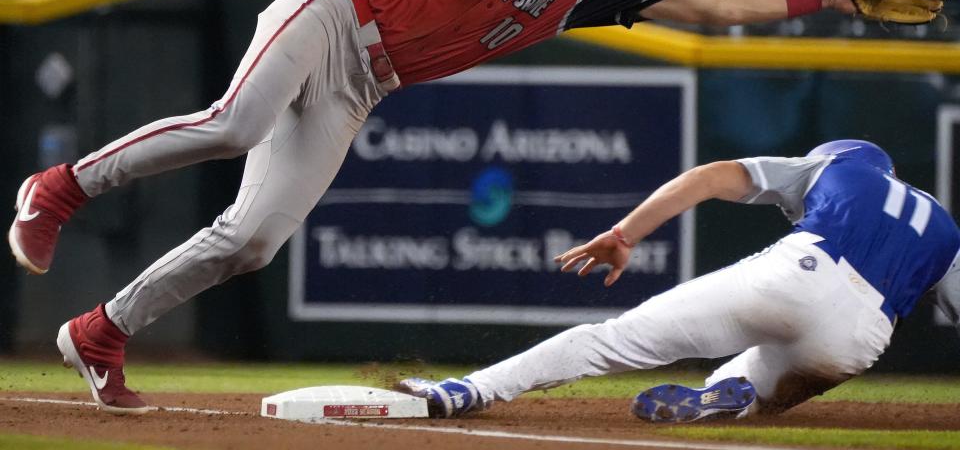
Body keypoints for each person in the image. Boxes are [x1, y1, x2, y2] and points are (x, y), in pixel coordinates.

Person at [9, 0, 856, 414]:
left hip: (363, 84)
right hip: (336, 15)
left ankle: (100, 331)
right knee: (236, 123)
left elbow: (713, 5)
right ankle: (60, 187)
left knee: (253, 241)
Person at [398, 140, 960, 422]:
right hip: (861, 335)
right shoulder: (945, 228)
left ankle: (467, 391)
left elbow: (711, 177)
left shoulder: (837, 165)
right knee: (769, 391)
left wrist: (626, 233)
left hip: (802, 270)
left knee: (611, 341)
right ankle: (733, 395)